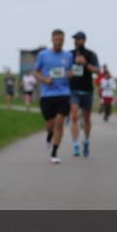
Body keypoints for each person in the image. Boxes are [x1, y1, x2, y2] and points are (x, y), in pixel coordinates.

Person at [33, 29, 74, 165]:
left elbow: (73, 71)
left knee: (60, 122)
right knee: (50, 125)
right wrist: (45, 80)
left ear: (64, 40)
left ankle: (54, 153)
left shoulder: (68, 56)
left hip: (63, 93)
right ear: (52, 40)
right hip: (47, 94)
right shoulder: (43, 55)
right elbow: (36, 72)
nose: (58, 42)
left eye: (61, 40)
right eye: (56, 40)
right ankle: (50, 135)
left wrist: (71, 74)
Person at [68, 31, 100, 157]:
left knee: (86, 118)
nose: (77, 41)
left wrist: (85, 63)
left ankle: (86, 140)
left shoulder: (91, 54)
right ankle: (75, 143)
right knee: (74, 117)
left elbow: (97, 71)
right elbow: (65, 70)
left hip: (87, 90)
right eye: (75, 39)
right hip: (73, 90)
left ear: (84, 40)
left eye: (79, 39)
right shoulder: (69, 54)